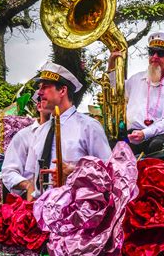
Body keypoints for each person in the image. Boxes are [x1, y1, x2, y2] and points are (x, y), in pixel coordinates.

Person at [25, 61, 111, 196]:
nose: (39, 92)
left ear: (63, 91)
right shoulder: (40, 131)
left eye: (45, 87)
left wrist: (74, 172)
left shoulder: (88, 126)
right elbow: (31, 178)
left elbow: (108, 171)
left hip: (76, 209)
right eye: (40, 87)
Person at [108, 31, 164, 158]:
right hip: (133, 136)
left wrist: (145, 133)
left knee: (156, 147)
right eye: (151, 52)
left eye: (161, 53)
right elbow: (115, 90)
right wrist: (112, 65)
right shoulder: (136, 79)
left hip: (161, 137)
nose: (154, 57)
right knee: (111, 146)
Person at [2, 94, 51, 200]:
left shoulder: (66, 134)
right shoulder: (24, 136)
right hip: (30, 198)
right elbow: (8, 171)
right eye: (47, 99)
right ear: (39, 106)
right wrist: (28, 185)